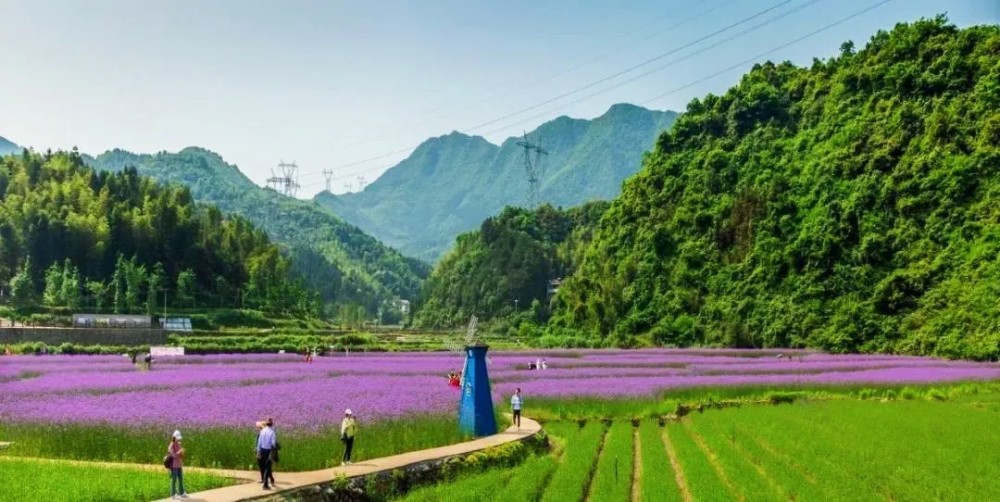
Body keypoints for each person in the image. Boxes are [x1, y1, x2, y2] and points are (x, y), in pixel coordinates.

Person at [256, 417, 278, 490]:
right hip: (269, 451)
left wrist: (258, 451)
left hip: (262, 450)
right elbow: (273, 443)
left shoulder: (262, 431)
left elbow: (259, 442)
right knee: (267, 467)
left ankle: (271, 479)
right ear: (272, 424)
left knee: (265, 466)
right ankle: (265, 484)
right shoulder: (272, 432)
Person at [167, 430, 187, 499]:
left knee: (181, 478)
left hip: (179, 465)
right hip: (174, 466)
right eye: (177, 438)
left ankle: (182, 492)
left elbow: (180, 455)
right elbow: (173, 455)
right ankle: (173, 494)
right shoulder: (171, 445)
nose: (178, 439)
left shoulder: (178, 444)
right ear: (174, 437)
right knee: (174, 479)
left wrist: (182, 452)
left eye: (179, 438)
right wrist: (179, 452)